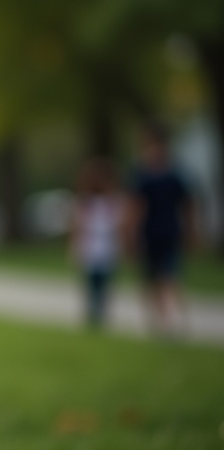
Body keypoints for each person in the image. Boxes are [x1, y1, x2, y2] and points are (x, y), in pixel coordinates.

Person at [126, 123, 198, 337]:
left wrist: (193, 231)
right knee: (151, 279)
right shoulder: (141, 174)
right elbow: (134, 207)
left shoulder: (174, 174)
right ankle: (159, 321)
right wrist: (130, 234)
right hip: (149, 233)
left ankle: (173, 320)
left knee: (169, 276)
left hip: (169, 231)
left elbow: (188, 205)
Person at [66, 158, 126, 329]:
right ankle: (92, 316)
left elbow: (120, 226)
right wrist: (74, 248)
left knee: (104, 284)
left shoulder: (113, 202)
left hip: (107, 248)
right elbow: (77, 227)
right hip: (91, 248)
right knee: (91, 284)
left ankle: (101, 315)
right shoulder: (85, 203)